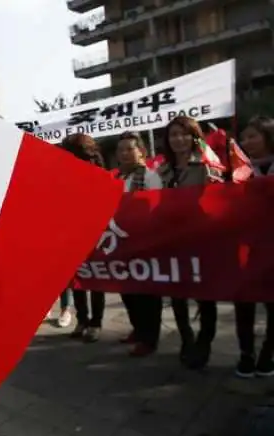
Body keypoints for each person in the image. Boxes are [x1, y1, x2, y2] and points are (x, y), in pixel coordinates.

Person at [157, 116, 222, 370]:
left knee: (206, 296)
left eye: (184, 134)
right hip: (173, 241)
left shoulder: (208, 166)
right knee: (178, 295)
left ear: (195, 136)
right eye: (173, 135)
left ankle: (205, 342)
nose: (178, 139)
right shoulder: (161, 171)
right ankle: (187, 338)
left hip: (202, 241)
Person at [114, 131, 164, 357]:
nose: (124, 154)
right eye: (121, 150)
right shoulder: (116, 178)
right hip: (121, 241)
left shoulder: (151, 177)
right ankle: (138, 328)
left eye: (129, 149)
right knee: (128, 291)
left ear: (141, 151)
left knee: (147, 294)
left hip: (144, 241)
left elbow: (156, 209)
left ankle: (149, 338)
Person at [233, 116, 274, 378]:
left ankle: (267, 355)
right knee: (244, 303)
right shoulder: (238, 169)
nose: (247, 142)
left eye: (253, 136)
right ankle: (245, 354)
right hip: (246, 247)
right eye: (244, 137)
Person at [60, 133, 107, 343]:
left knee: (96, 280)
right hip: (72, 235)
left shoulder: (100, 174)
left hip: (97, 235)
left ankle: (95, 323)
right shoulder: (64, 175)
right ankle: (82, 320)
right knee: (77, 280)